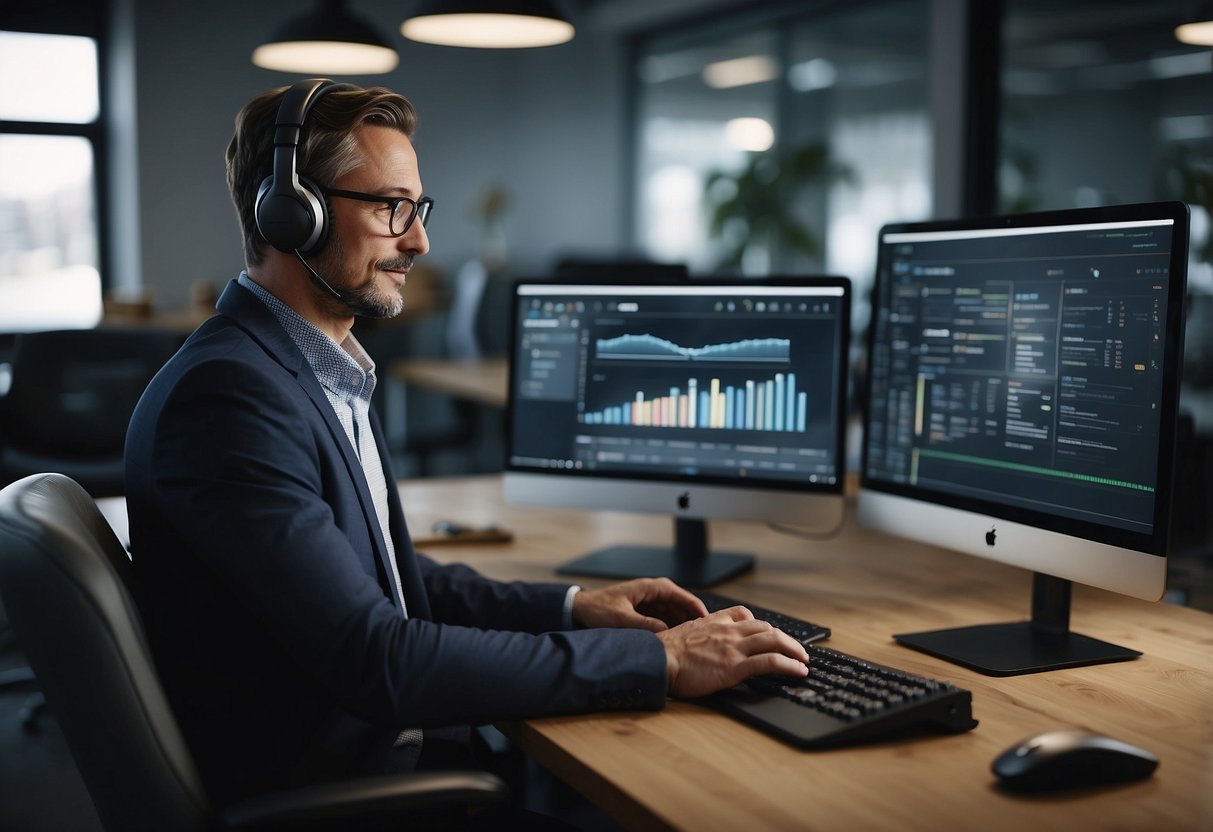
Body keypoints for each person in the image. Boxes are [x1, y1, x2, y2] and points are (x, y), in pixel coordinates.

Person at [124, 79, 808, 807]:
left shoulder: (301, 369)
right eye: (391, 208)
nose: (417, 240)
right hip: (349, 793)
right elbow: (379, 659)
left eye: (417, 210)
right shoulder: (230, 396)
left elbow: (381, 580)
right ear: (293, 213)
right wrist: (657, 659)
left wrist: (573, 607)